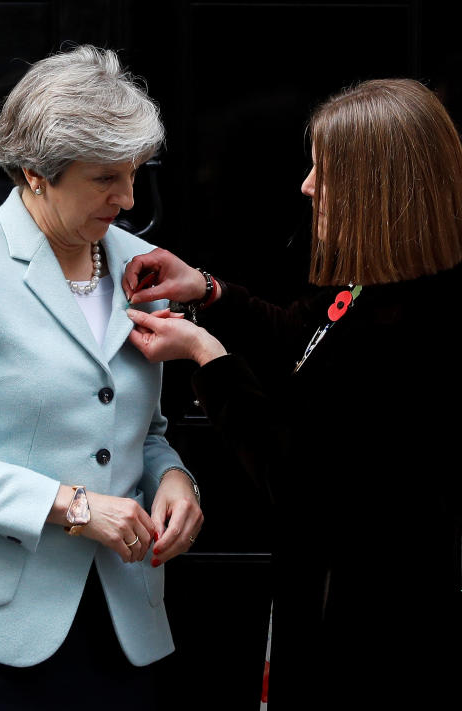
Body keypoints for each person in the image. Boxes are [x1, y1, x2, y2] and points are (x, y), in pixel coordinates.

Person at [0, 45, 202, 708]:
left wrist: (173, 476)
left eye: (134, 173)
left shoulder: (145, 268)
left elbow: (140, 428)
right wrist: (74, 506)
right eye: (106, 178)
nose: (129, 198)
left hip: (123, 629)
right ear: (36, 172)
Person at [123, 78, 462, 708]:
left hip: (371, 634)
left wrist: (206, 357)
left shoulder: (413, 333)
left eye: (325, 172)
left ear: (377, 189)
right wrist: (208, 292)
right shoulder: (369, 289)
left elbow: (299, 481)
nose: (306, 185)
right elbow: (300, 337)